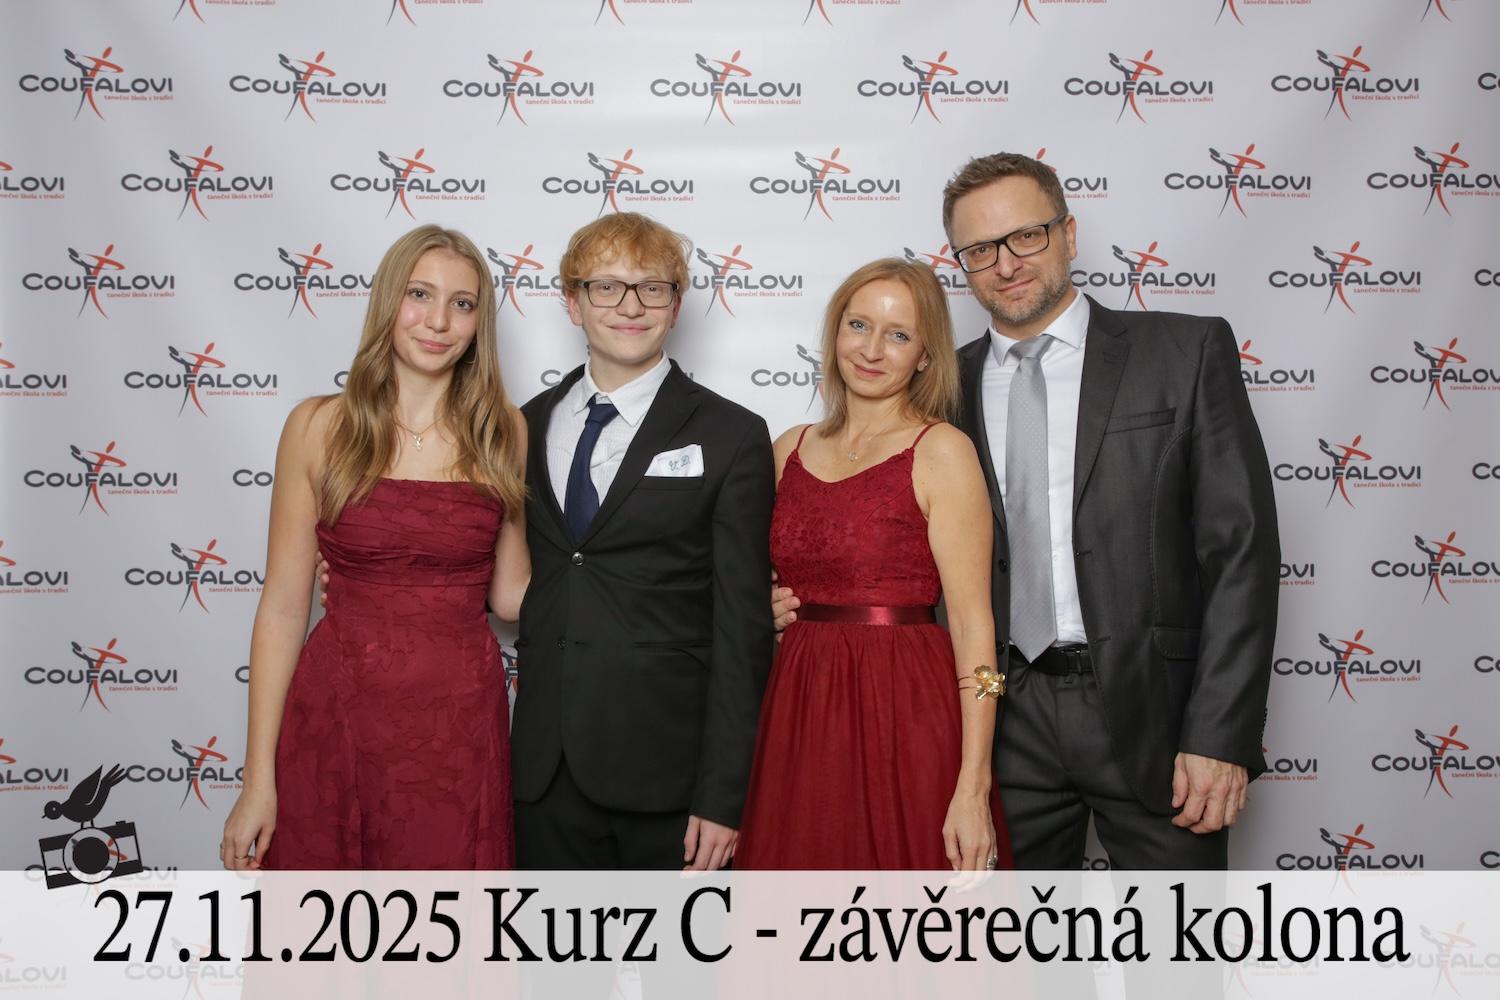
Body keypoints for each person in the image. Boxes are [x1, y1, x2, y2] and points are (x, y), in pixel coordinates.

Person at [774, 152, 1280, 869]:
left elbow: (1242, 555)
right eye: (980, 249)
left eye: (1026, 236)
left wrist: (1220, 734)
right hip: (994, 720)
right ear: (960, 265)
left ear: (1068, 234)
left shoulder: (1182, 353)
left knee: (1177, 939)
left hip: (1154, 715)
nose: (1006, 263)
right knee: (1005, 940)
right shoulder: (935, 393)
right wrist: (786, 599)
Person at [220, 224, 529, 870]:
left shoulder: (504, 431)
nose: (438, 321)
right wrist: (257, 782)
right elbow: (282, 609)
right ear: (389, 300)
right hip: (336, 720)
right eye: (420, 294)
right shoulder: (316, 427)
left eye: (462, 303)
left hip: (458, 730)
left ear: (480, 324)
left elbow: (510, 596)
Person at [510, 212, 776, 871]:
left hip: (671, 778)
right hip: (544, 772)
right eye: (606, 287)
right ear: (572, 302)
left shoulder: (731, 434)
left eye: (652, 288)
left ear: (676, 305)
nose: (630, 307)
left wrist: (725, 795)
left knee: (677, 946)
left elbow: (743, 631)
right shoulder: (520, 427)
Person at [737, 259, 1011, 871]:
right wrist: (765, 609)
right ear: (835, 331)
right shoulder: (787, 449)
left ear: (925, 356)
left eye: (898, 335)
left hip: (907, 707)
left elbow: (976, 630)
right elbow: (752, 581)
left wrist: (974, 782)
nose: (870, 350)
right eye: (858, 325)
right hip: (800, 707)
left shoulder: (942, 450)